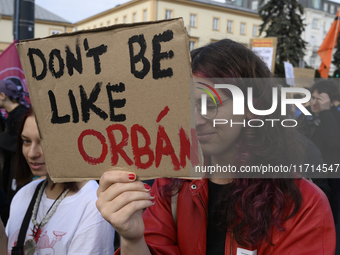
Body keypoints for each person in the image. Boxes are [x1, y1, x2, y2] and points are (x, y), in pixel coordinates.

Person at [96, 39, 336, 254]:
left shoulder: (303, 204)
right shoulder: (170, 186)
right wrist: (131, 238)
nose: (196, 120)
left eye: (210, 104)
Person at [6, 108, 115, 255]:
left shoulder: (92, 204)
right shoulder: (24, 194)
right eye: (26, 141)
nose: (32, 153)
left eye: (43, 143)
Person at [297, 79, 340, 254]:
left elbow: (333, 141)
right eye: (313, 98)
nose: (314, 102)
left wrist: (325, 111)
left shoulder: (333, 117)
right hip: (308, 177)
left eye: (319, 98)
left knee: (327, 215)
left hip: (330, 178)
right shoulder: (307, 115)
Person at [0, 79, 29, 223]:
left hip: (21, 173)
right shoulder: (13, 115)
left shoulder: (21, 115)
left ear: (2, 96)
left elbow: (18, 145)